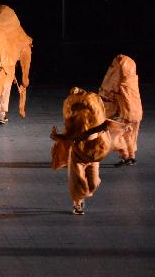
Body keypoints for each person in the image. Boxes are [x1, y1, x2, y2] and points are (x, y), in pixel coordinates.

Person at [50, 87, 128, 215]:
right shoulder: (77, 125)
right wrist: (58, 137)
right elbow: (69, 135)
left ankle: (83, 195)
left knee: (93, 183)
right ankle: (78, 203)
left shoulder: (99, 123)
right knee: (78, 181)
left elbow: (108, 124)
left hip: (94, 157)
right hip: (78, 156)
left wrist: (123, 127)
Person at [99, 55, 142, 166]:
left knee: (120, 134)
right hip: (131, 112)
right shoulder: (129, 80)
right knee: (128, 135)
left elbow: (126, 99)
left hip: (128, 113)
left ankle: (128, 156)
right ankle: (128, 157)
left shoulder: (125, 83)